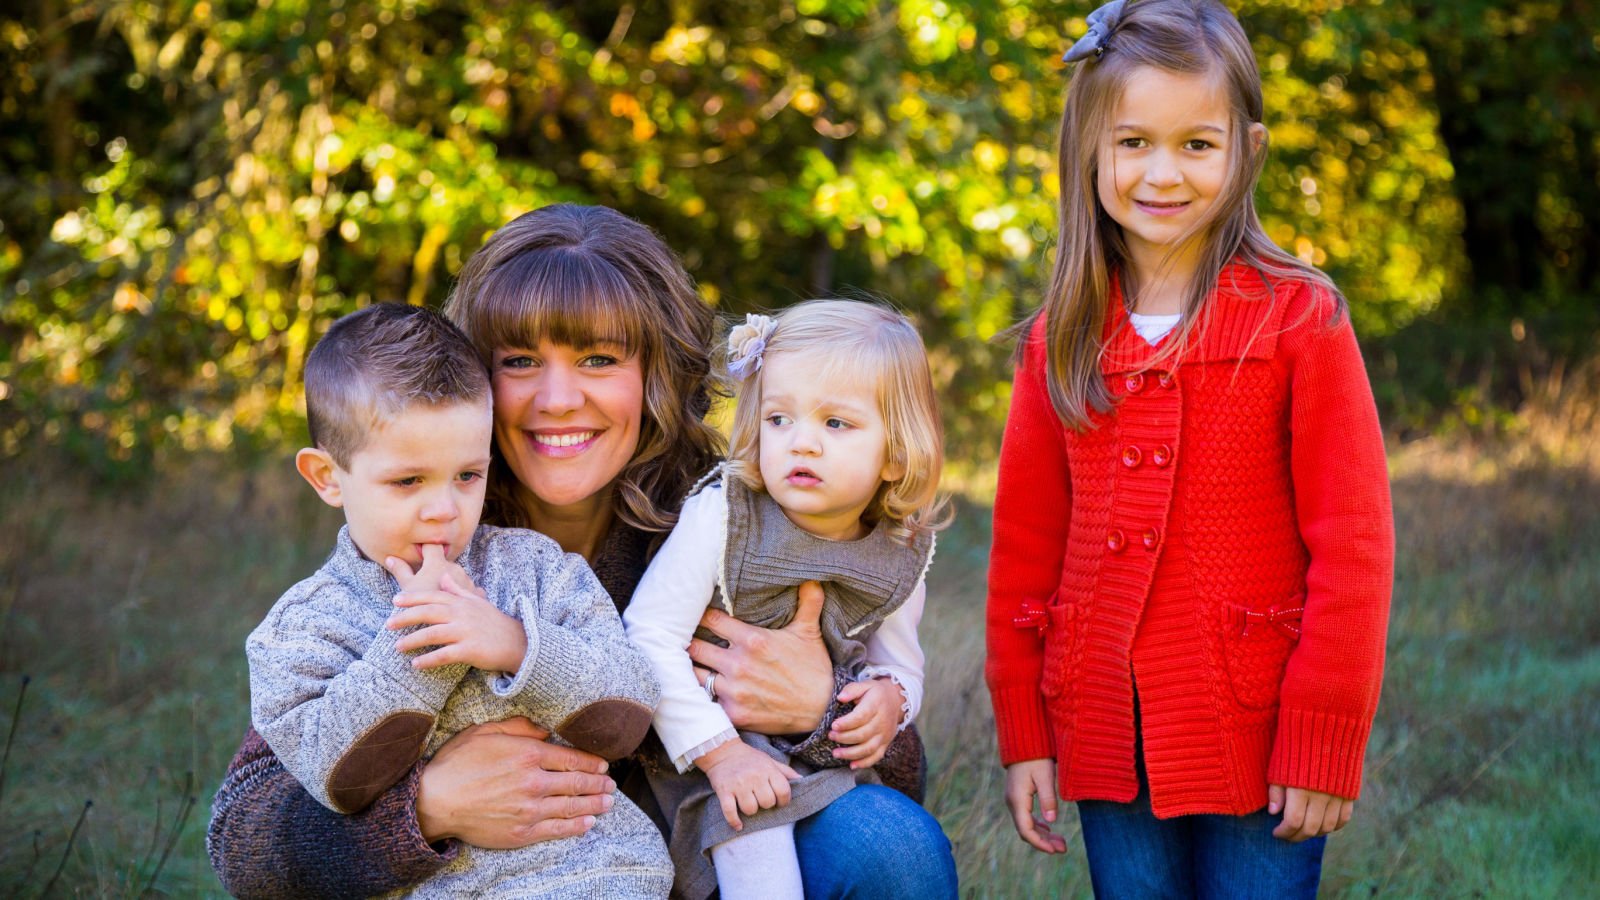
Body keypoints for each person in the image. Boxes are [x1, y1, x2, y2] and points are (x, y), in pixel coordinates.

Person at [207, 203, 958, 899]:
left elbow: (902, 771)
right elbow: (243, 834)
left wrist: (818, 711)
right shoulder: (424, 549)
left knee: (891, 846)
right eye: (521, 360)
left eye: (599, 359)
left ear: (654, 372)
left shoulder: (733, 521)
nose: (559, 399)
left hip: (704, 860)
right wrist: (428, 807)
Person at [984, 1, 1394, 897]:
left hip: (1260, 727)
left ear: (1247, 147)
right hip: (1105, 725)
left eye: (1196, 145)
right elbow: (1024, 551)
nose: (1161, 173)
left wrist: (1324, 736)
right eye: (1133, 143)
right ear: (1088, 149)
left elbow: (1354, 545)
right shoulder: (1060, 338)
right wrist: (1026, 729)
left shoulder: (1299, 319)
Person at [246, 302, 669, 896]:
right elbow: (333, 776)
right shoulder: (305, 627)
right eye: (408, 481)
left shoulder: (536, 568)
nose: (444, 509)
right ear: (326, 476)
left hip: (595, 873)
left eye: (468, 476)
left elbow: (629, 707)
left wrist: (515, 644)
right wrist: (415, 645)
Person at [622, 300, 948, 900]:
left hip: (815, 758)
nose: (802, 444)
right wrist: (722, 755)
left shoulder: (899, 551)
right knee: (757, 835)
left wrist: (889, 700)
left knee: (887, 844)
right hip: (705, 750)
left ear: (897, 451)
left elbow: (901, 664)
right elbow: (646, 635)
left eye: (835, 424)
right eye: (779, 419)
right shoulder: (724, 514)